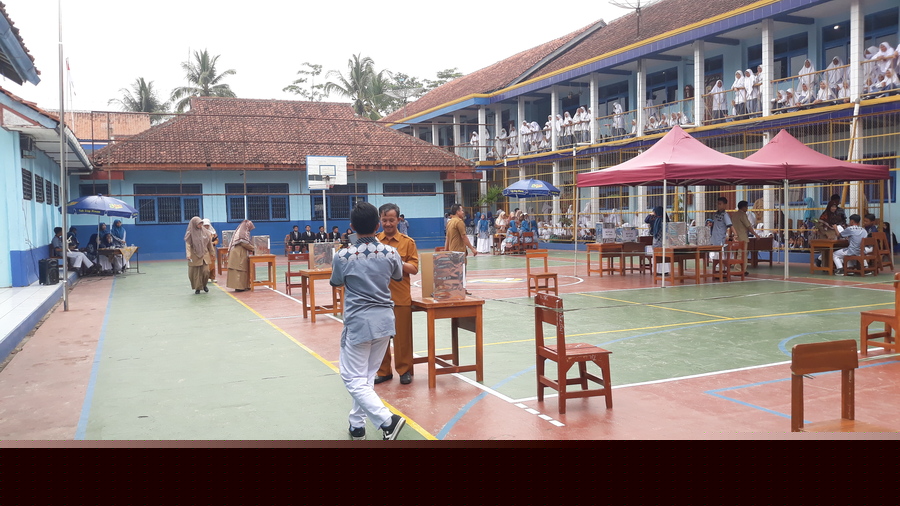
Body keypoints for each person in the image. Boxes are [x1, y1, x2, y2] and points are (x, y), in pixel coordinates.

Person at [331, 202, 406, 441]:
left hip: (359, 323)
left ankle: (387, 420)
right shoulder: (391, 252)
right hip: (384, 322)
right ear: (377, 225)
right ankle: (357, 425)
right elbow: (398, 275)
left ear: (352, 227)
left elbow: (336, 282)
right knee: (366, 378)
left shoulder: (343, 255)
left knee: (352, 378)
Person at [374, 203, 419, 386]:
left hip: (400, 297)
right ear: (379, 220)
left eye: (391, 220)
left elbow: (414, 268)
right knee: (380, 337)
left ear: (399, 220)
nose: (388, 224)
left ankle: (404, 370)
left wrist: (395, 259)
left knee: (402, 337)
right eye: (384, 220)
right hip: (378, 297)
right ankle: (383, 371)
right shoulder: (374, 242)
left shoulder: (408, 243)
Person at [445, 203, 477, 294]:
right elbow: (464, 237)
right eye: (461, 210)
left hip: (452, 251)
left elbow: (447, 238)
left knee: (454, 271)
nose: (463, 212)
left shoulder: (449, 222)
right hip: (459, 251)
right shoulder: (459, 222)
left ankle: (456, 289)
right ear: (457, 212)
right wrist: (472, 249)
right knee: (461, 271)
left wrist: (446, 250)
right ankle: (461, 289)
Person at [185, 216, 216, 294]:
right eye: (199, 224)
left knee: (206, 271)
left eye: (201, 223)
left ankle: (204, 285)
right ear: (194, 224)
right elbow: (188, 245)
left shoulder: (205, 232)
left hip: (204, 254)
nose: (200, 225)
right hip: (195, 255)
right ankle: (198, 288)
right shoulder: (190, 233)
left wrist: (212, 252)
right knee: (196, 273)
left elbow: (209, 243)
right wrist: (188, 254)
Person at [226, 219, 256, 292]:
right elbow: (244, 243)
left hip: (240, 253)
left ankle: (243, 286)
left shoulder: (243, 232)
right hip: (238, 253)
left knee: (243, 270)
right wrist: (254, 249)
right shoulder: (242, 234)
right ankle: (239, 287)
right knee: (239, 270)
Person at [709, 197, 733, 271]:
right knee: (714, 256)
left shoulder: (725, 215)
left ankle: (722, 270)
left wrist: (735, 234)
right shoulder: (715, 214)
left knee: (721, 255)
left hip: (720, 238)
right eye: (718, 204)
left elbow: (730, 225)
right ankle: (716, 270)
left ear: (725, 205)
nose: (718, 205)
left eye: (720, 204)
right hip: (714, 237)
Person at [731, 201, 754, 275]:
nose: (747, 208)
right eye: (746, 207)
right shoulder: (743, 215)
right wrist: (755, 234)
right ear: (743, 207)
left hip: (735, 236)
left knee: (739, 253)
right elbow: (748, 226)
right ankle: (739, 269)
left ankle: (741, 269)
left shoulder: (734, 215)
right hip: (742, 237)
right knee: (742, 254)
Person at [203, 218, 219, 283]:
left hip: (212, 250)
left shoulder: (213, 233)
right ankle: (205, 277)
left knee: (212, 264)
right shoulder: (201, 233)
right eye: (205, 225)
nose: (206, 227)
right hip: (204, 251)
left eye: (207, 225)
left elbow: (217, 240)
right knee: (205, 265)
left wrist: (213, 243)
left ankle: (212, 277)